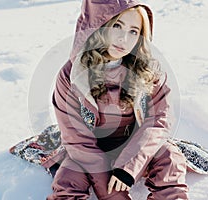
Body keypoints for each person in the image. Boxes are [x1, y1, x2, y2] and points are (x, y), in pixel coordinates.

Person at [46, 0, 188, 199]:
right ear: (98, 25)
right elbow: (77, 140)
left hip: (134, 145)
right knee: (69, 175)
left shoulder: (149, 71)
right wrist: (113, 194)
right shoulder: (71, 75)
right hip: (89, 150)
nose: (123, 38)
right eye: (117, 26)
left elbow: (158, 122)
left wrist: (128, 168)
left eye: (133, 31)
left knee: (170, 155)